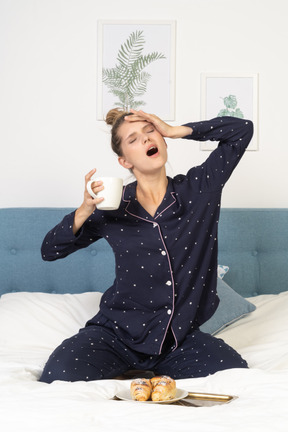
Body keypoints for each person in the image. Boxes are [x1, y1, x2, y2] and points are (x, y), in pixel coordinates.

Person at [39, 109, 253, 383]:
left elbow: (242, 129)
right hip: (117, 334)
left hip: (177, 339)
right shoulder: (111, 208)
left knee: (237, 378)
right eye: (133, 139)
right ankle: (128, 371)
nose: (146, 139)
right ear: (124, 161)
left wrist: (177, 130)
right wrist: (83, 210)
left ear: (162, 139)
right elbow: (50, 250)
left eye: (150, 131)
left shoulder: (200, 189)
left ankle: (147, 373)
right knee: (58, 375)